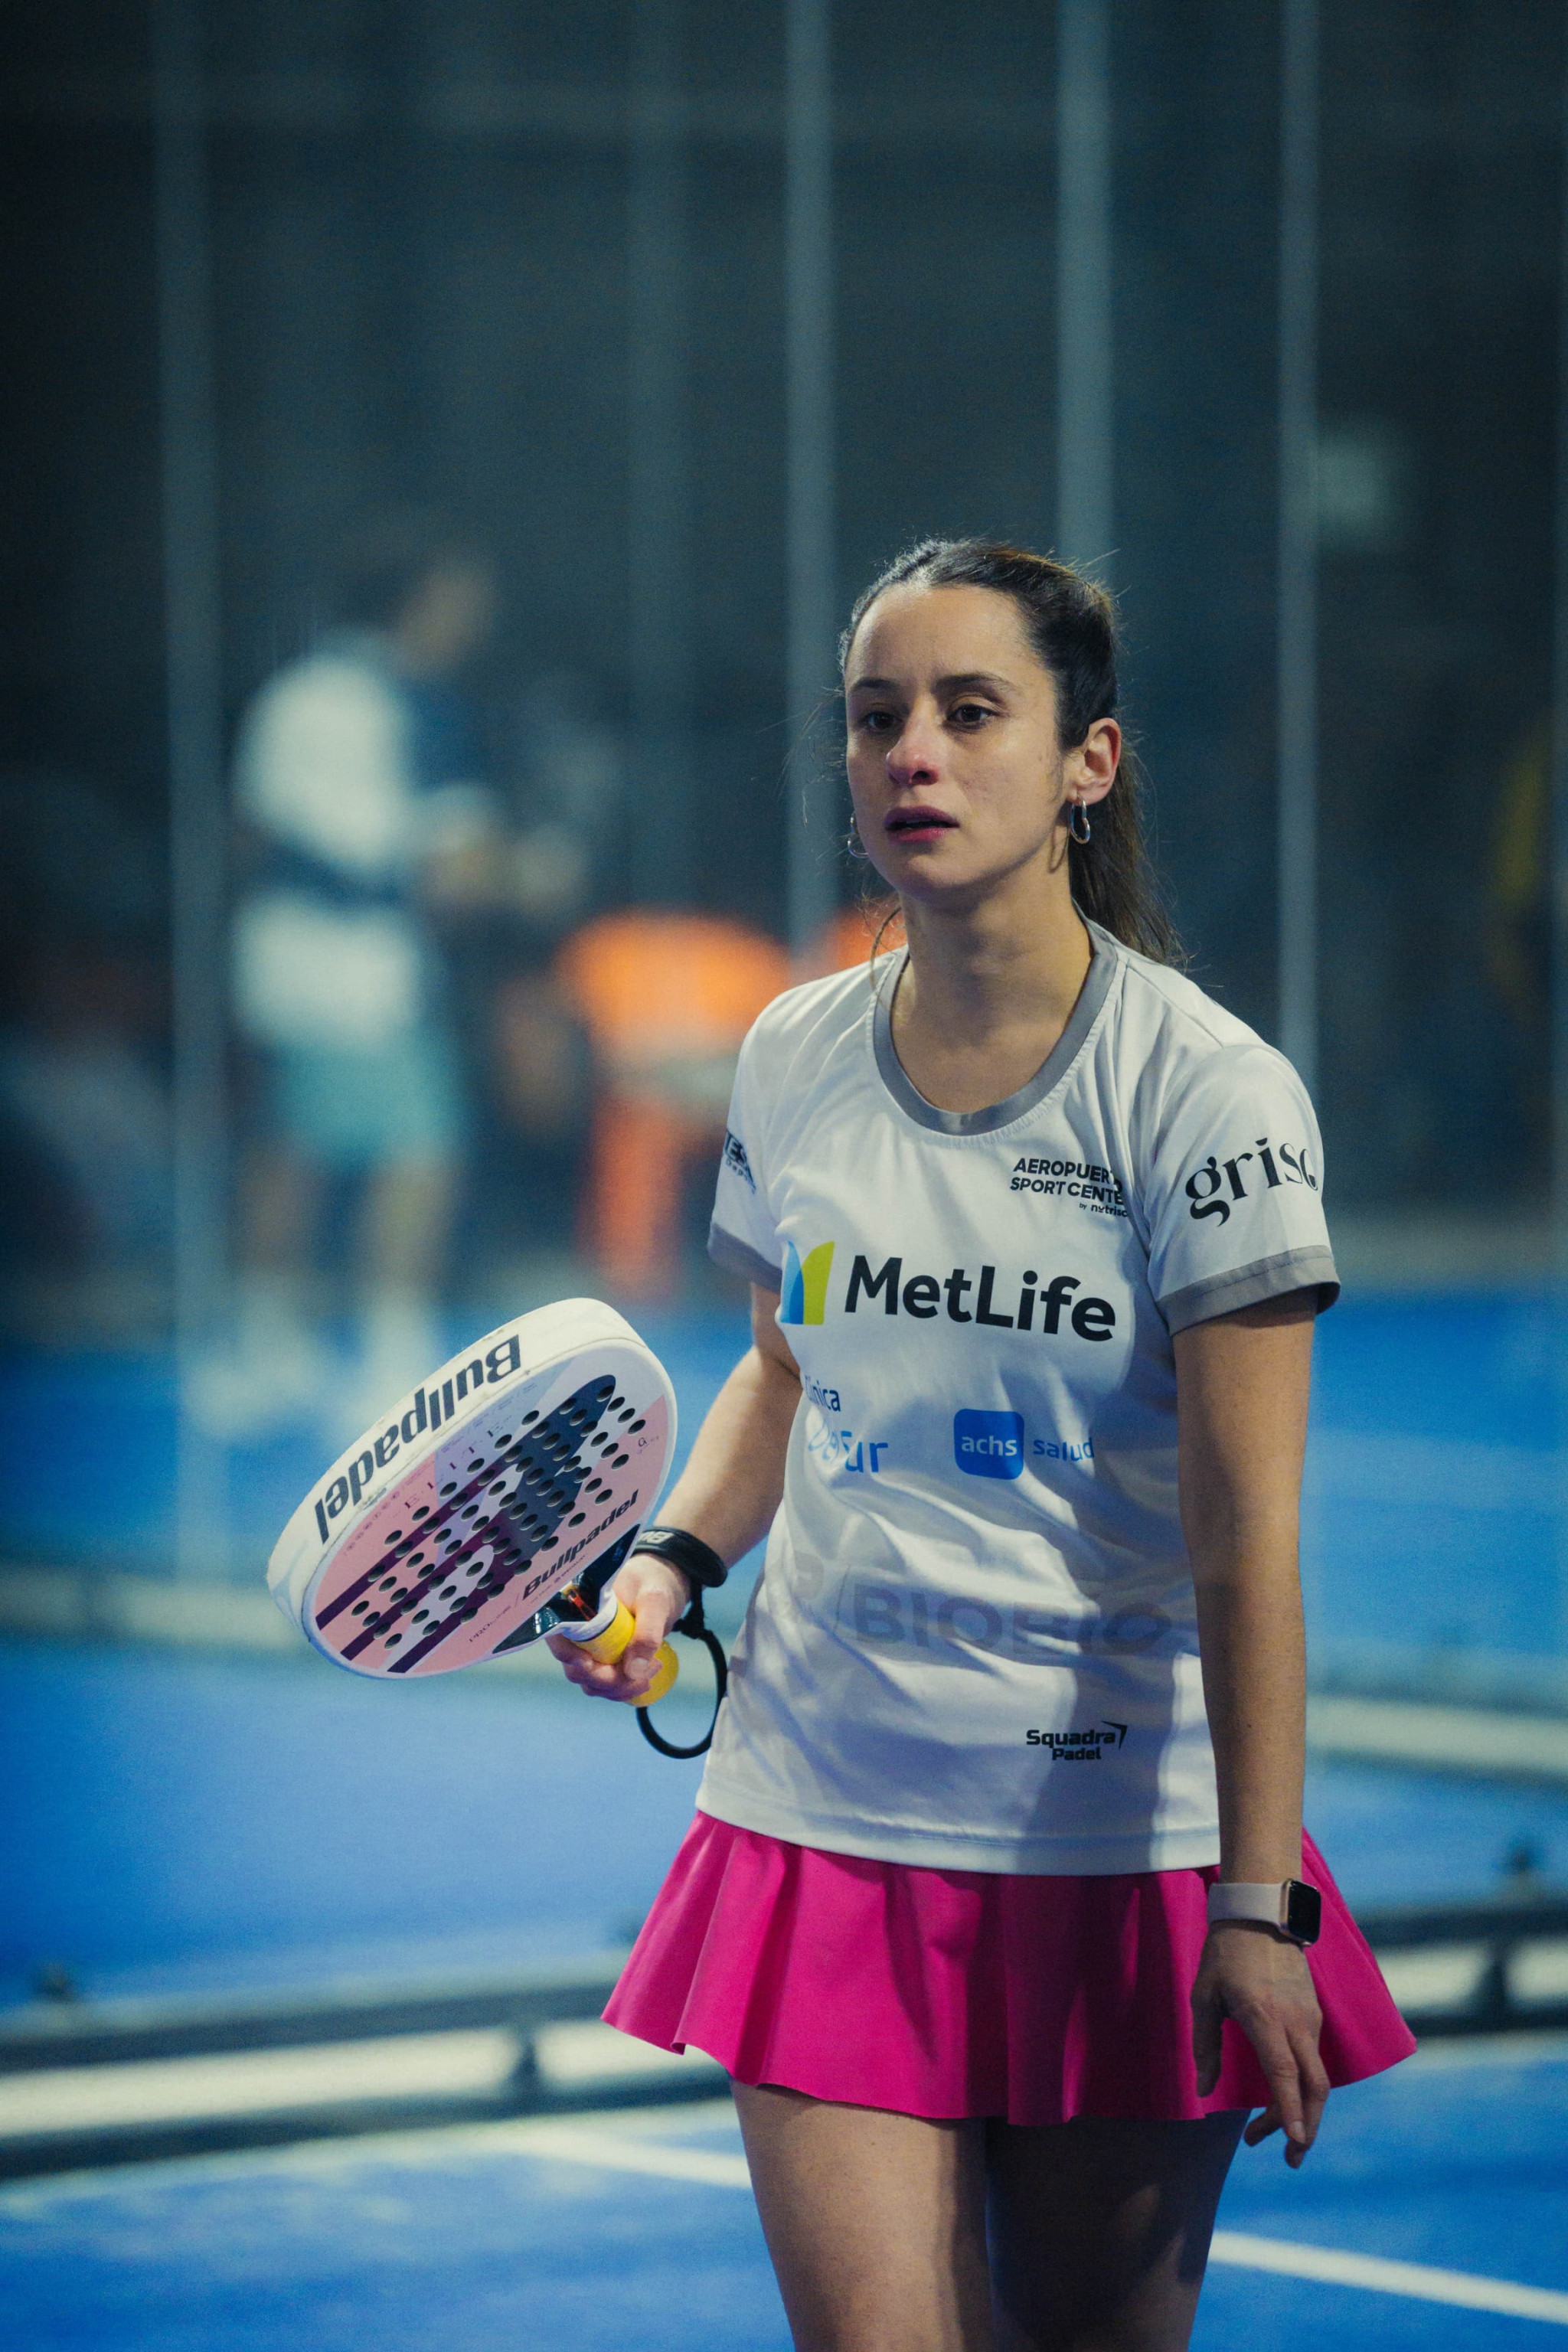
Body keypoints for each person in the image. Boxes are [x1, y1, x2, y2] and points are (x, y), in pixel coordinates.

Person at [551, 540, 1413, 2352]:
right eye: (877, 718)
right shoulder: (790, 1055)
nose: (912, 755)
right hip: (820, 1818)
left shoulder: (1207, 1093)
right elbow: (781, 1371)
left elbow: (1246, 1542)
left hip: (1119, 1848)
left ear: (1086, 761)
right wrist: (667, 1568)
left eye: (968, 711)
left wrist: (1256, 1903)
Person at [199, 512, 496, 1441]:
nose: (472, 618)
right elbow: (456, 873)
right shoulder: (414, 705)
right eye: (461, 599)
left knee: (288, 1148)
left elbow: (247, 831)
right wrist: (522, 877)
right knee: (421, 1153)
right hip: (364, 973)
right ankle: (389, 1365)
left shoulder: (291, 694)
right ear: (421, 601)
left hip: (275, 961)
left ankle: (263, 1347)